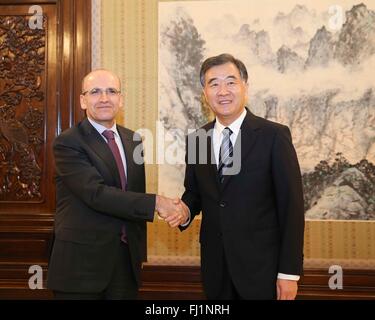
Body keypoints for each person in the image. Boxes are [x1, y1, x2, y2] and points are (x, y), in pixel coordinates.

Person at [47, 69, 187, 300]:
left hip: (125, 264)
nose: (104, 98)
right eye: (95, 92)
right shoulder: (68, 142)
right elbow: (96, 194)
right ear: (83, 100)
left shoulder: (134, 141)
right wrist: (157, 203)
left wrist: (138, 254)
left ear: (120, 100)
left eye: (111, 91)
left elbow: (132, 196)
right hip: (80, 267)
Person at [179, 54, 305, 300]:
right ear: (204, 93)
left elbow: (292, 206)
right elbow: (194, 193)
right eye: (213, 84)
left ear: (245, 86)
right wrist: (183, 211)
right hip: (216, 270)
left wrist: (289, 273)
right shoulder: (197, 139)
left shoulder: (274, 136)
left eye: (231, 82)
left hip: (263, 272)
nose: (222, 91)